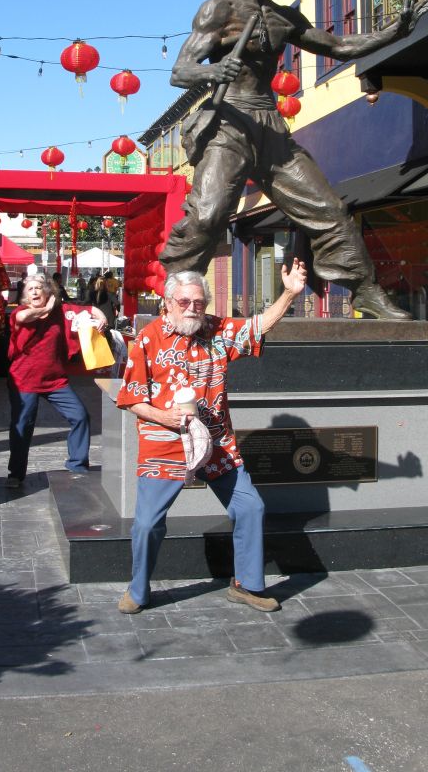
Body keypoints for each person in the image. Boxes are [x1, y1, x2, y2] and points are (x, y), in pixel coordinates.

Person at [160, 0, 424, 320]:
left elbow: (339, 45)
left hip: (270, 127)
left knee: (329, 208)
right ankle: (177, 293)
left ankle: (365, 292)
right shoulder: (219, 7)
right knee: (209, 213)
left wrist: (395, 31)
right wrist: (213, 72)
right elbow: (181, 71)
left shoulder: (282, 17)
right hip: (229, 122)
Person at [115, 259, 307, 615]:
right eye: (185, 302)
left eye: (199, 302)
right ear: (168, 303)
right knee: (147, 523)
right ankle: (138, 590)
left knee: (250, 506)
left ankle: (246, 584)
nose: (193, 309)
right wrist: (165, 415)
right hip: (165, 441)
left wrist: (290, 293)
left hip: (216, 442)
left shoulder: (216, 331)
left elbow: (256, 326)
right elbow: (131, 400)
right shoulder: (147, 340)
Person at [6, 273, 108, 487]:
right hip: (24, 380)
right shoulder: (20, 312)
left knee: (80, 416)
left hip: (55, 381)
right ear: (24, 296)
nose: (35, 291)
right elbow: (25, 319)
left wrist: (101, 317)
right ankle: (15, 473)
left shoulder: (62, 312)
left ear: (47, 292)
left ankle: (77, 464)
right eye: (30, 289)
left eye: (39, 288)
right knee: (22, 425)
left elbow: (89, 310)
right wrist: (47, 308)